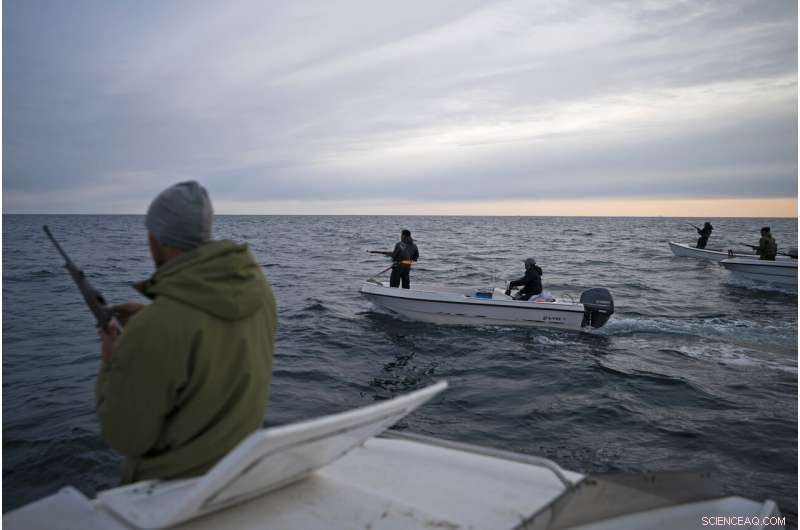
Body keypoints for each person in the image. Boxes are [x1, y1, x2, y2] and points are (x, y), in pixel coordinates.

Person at [97, 181, 277, 484]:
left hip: (175, 486)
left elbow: (126, 438)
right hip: (240, 470)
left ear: (159, 238)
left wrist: (113, 360)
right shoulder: (260, 292)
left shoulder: (156, 327)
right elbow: (218, 338)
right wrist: (149, 318)